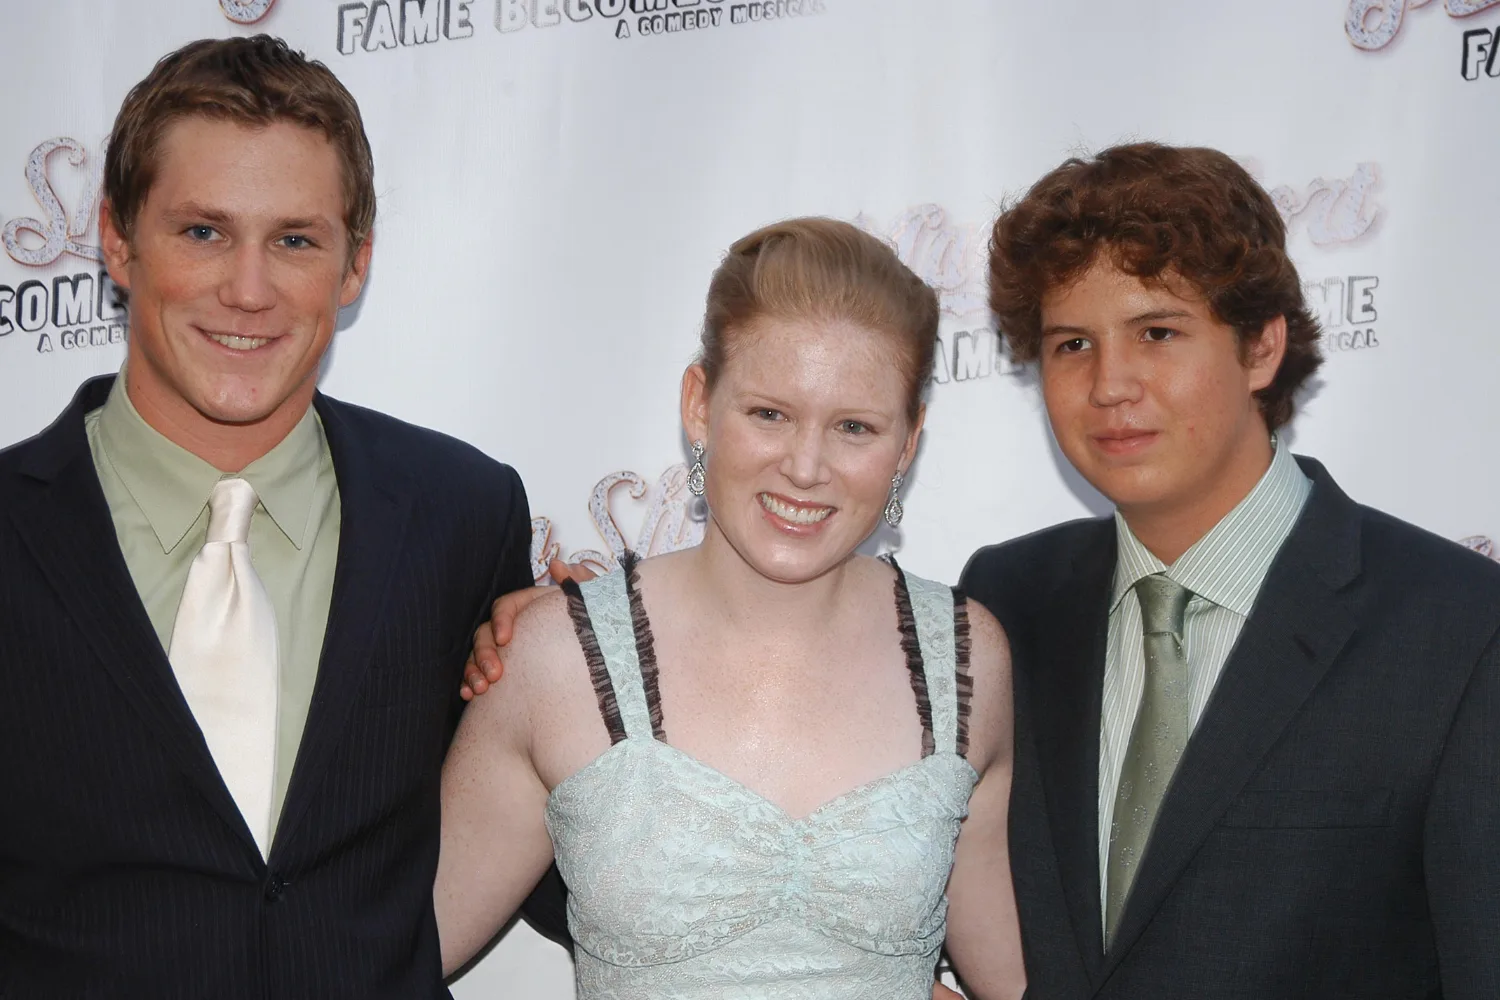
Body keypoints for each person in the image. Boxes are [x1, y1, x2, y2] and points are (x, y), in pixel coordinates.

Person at [0, 36, 560, 998]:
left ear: (355, 266)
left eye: (295, 239)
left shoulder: (461, 514)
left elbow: (557, 870)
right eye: (204, 232)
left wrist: (598, 694)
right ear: (117, 239)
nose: (249, 290)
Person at [959, 143, 1500, 998]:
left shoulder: (1462, 631)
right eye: (1071, 344)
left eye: (1158, 333)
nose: (1109, 385)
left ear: (1262, 348)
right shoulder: (1003, 603)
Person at [436, 217, 1027, 999]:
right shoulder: (555, 661)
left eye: (855, 427)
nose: (806, 467)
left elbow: (1019, 978)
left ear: (908, 443)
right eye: (769, 414)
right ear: (698, 401)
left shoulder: (966, 659)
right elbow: (388, 950)